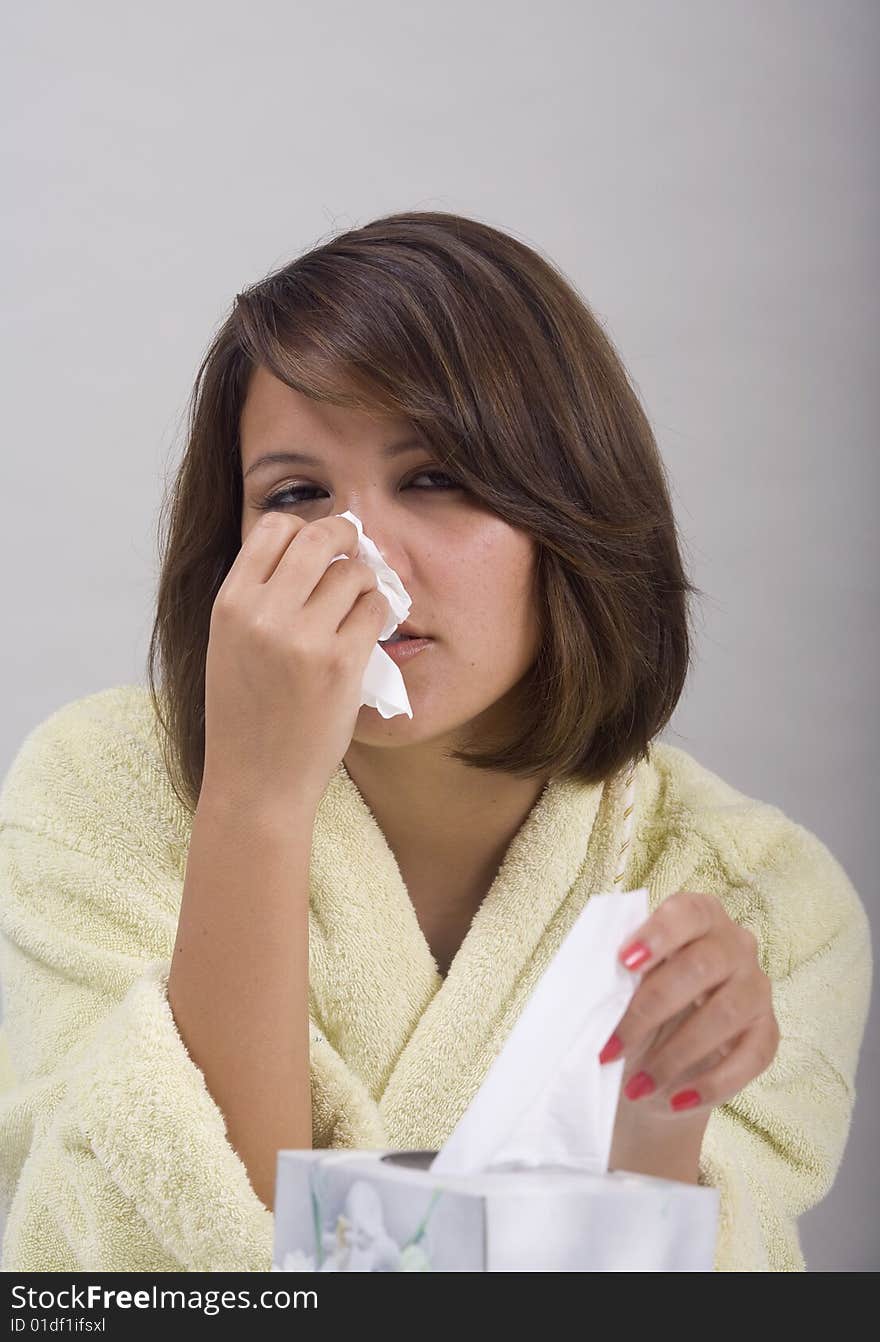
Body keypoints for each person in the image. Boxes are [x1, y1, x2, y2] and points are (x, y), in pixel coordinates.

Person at [0, 211, 871, 1273]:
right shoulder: (97, 790)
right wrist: (254, 806)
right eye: (297, 494)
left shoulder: (767, 899)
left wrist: (655, 1131)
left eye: (435, 476)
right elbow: (154, 1267)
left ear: (572, 503)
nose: (362, 555)